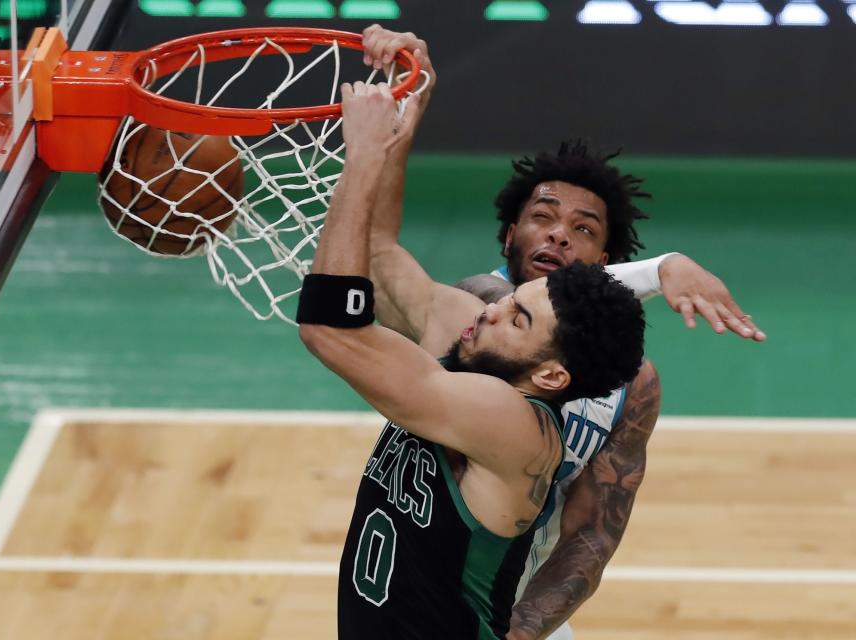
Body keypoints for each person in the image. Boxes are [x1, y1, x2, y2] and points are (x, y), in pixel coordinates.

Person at [358, 24, 765, 640]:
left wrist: (520, 630)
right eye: (542, 218)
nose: (557, 235)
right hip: (417, 599)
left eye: (583, 229)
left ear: (604, 263)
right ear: (508, 237)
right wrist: (661, 269)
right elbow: (379, 259)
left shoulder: (633, 386)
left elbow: (593, 530)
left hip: (516, 613)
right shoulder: (476, 311)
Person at [298, 81, 648, 640]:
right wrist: (395, 138)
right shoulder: (476, 339)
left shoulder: (508, 420)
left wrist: (361, 154)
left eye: (517, 317)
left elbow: (330, 328)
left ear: (552, 375)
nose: (490, 309)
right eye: (510, 298)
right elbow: (382, 252)